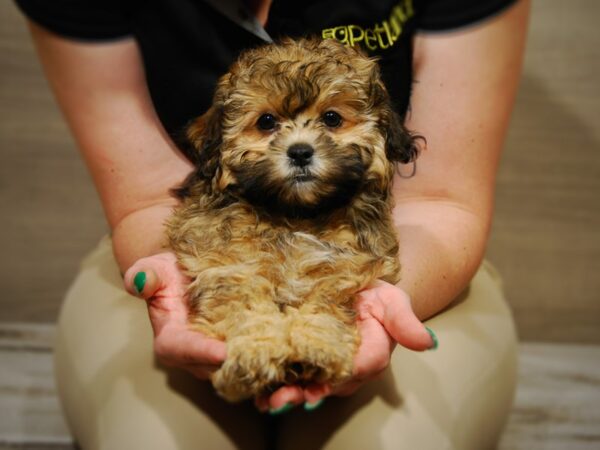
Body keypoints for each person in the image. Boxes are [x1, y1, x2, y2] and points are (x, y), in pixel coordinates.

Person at [15, 0, 529, 448]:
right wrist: (205, 289)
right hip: (161, 239)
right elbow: (152, 202)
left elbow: (442, 200)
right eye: (267, 124)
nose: (300, 143)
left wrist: (366, 302)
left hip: (420, 252)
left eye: (331, 120)